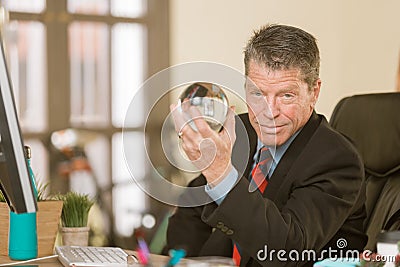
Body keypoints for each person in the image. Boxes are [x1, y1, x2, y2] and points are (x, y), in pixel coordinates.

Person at [165, 24, 367, 266]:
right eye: (258, 94)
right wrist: (179, 262)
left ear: (314, 92)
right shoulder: (240, 132)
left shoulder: (338, 160)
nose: (269, 113)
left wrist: (221, 174)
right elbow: (192, 212)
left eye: (286, 96)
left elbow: (286, 250)